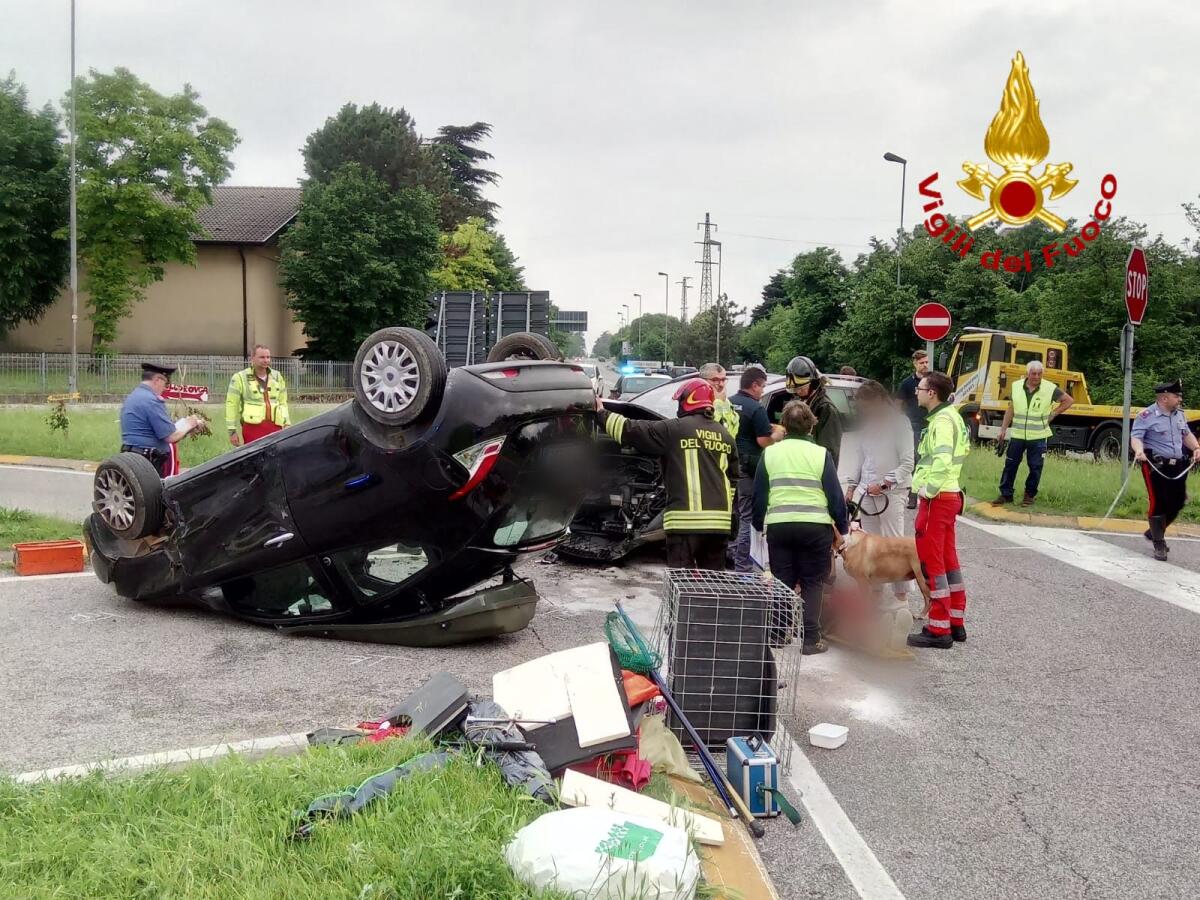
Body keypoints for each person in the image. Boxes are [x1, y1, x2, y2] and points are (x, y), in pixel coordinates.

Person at [595, 379, 738, 569]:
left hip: (685, 524)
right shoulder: (726, 435)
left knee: (680, 583)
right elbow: (734, 481)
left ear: (687, 401)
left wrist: (601, 413)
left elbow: (631, 430)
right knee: (712, 585)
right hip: (719, 525)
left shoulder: (675, 429)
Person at [752, 400, 848, 655]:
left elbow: (760, 494)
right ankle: (810, 639)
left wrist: (758, 523)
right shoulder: (820, 454)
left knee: (782, 581)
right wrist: (842, 526)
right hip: (815, 528)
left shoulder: (770, 453)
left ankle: (778, 633)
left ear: (784, 425)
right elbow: (835, 496)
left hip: (780, 527)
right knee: (813, 582)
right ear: (810, 425)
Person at [908, 371, 971, 649]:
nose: (916, 392)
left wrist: (927, 490)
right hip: (949, 495)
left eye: (920, 388)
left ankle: (939, 628)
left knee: (932, 564)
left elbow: (943, 460)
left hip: (938, 498)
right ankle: (955, 622)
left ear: (932, 393)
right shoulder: (952, 416)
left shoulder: (942, 421)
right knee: (948, 562)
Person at [845, 380, 915, 603]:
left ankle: (901, 597)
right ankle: (876, 596)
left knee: (895, 546)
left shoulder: (900, 423)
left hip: (891, 493)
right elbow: (861, 459)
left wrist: (886, 483)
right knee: (871, 548)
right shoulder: (867, 427)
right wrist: (851, 487)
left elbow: (907, 463)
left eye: (866, 406)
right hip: (867, 492)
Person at [1131, 379, 1200, 561]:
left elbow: (1186, 434)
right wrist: (1139, 450)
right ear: (1164, 398)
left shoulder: (1180, 415)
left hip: (1178, 465)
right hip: (1155, 465)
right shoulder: (1146, 415)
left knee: (1178, 501)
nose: (1180, 399)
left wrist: (1196, 448)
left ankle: (1153, 531)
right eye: (1176, 396)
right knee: (1158, 502)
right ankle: (1159, 542)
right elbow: (1136, 437)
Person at [993, 360, 1074, 507]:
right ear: (1027, 373)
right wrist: (1003, 429)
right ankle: (1006, 495)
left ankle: (1029, 496)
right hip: (1017, 435)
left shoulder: (1050, 388)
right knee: (1010, 465)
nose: (1036, 376)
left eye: (1039, 373)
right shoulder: (1016, 386)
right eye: (1033, 373)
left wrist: (1054, 414)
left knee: (1035, 467)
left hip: (1038, 436)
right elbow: (1011, 409)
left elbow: (1068, 400)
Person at [729, 366, 784, 571]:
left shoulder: (729, 403)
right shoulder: (756, 407)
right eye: (762, 386)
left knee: (734, 514)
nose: (762, 390)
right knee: (747, 517)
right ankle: (742, 566)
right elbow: (763, 440)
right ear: (754, 385)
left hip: (730, 466)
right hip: (748, 468)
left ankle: (733, 554)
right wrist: (778, 435)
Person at [119, 363, 203, 477]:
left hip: (131, 458)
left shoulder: (133, 396)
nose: (165, 388)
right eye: (166, 383)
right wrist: (189, 424)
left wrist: (186, 429)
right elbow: (170, 436)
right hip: (149, 461)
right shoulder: (151, 400)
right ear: (157, 380)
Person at [226, 344, 290, 446]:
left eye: (268, 357)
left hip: (276, 427)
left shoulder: (277, 376)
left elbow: (283, 403)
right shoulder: (239, 377)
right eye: (262, 357)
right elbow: (231, 405)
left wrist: (287, 424)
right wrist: (232, 431)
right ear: (253, 358)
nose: (266, 360)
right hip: (252, 428)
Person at [785, 355, 842, 467]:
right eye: (796, 389)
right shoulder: (801, 401)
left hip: (814, 469)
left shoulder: (826, 408)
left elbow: (829, 451)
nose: (798, 392)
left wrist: (827, 477)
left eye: (801, 388)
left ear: (814, 384)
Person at [896, 349, 931, 509]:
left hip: (932, 424)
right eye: (921, 363)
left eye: (926, 362)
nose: (924, 365)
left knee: (931, 460)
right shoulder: (907, 383)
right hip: (914, 425)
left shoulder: (933, 381)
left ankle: (930, 492)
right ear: (915, 364)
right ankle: (912, 494)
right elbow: (899, 405)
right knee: (916, 460)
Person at [700, 363, 740, 438]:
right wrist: (718, 403)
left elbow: (732, 429)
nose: (721, 384)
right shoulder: (696, 402)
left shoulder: (726, 402)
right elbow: (705, 430)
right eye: (715, 380)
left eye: (723, 380)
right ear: (702, 381)